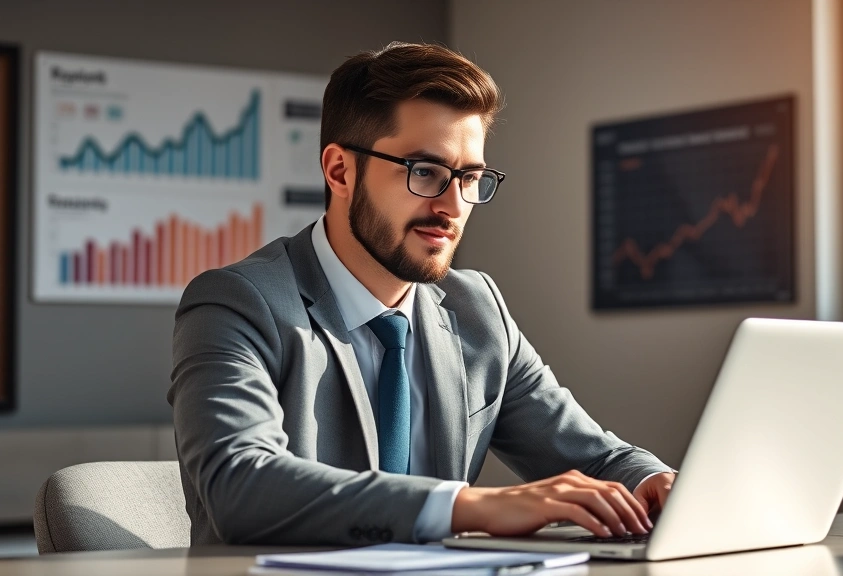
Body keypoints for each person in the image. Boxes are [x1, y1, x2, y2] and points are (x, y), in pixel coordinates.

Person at [169, 41, 676, 547]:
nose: (453, 206)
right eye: (425, 172)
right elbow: (240, 487)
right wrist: (469, 507)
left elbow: (595, 459)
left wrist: (657, 484)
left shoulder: (477, 309)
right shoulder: (236, 303)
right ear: (340, 171)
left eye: (471, 177)